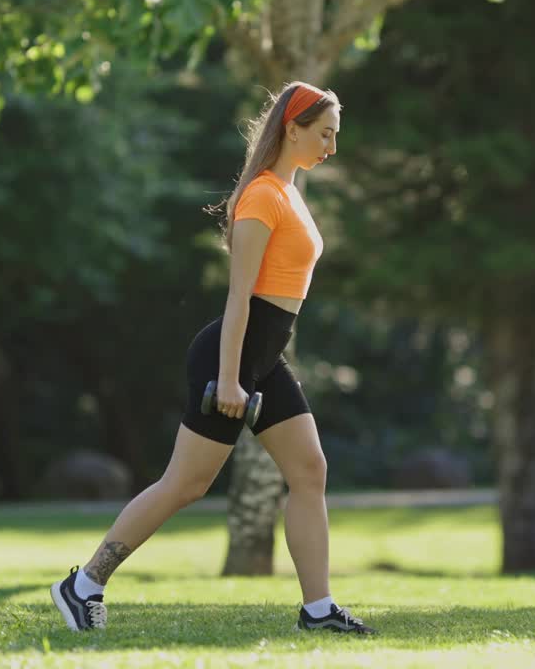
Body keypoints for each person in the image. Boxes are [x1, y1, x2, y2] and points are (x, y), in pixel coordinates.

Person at [51, 81, 375, 635]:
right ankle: (83, 585)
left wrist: (249, 371)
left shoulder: (291, 193)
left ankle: (318, 610)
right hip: (230, 357)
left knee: (309, 470)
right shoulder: (262, 197)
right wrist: (229, 379)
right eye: (324, 134)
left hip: (263, 359)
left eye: (335, 136)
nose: (331, 147)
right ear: (291, 128)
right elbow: (240, 298)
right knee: (185, 484)